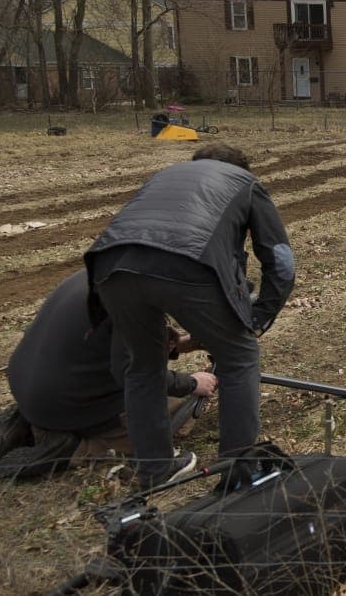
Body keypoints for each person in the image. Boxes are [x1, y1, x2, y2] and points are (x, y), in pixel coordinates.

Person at [85, 143, 294, 489]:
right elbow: (281, 262)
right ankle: (238, 473)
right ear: (242, 168)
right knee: (239, 357)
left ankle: (155, 470)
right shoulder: (245, 182)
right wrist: (259, 317)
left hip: (109, 264)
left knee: (143, 366)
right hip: (187, 260)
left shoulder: (166, 175)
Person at [0, 270, 216, 479]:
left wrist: (181, 345)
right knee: (175, 408)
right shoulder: (137, 299)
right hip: (62, 402)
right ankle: (72, 449)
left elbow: (112, 343)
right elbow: (138, 373)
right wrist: (192, 383)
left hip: (30, 385)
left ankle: (30, 426)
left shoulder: (99, 274)